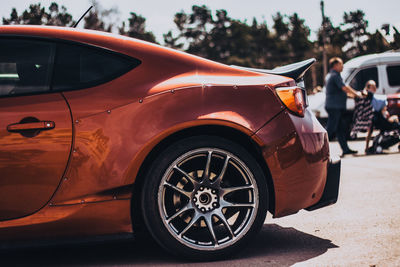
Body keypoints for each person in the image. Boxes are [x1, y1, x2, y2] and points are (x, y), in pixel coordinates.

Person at [325, 57, 363, 156]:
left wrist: (353, 96)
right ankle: (318, 149)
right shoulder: (335, 75)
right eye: (341, 64)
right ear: (335, 65)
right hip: (334, 107)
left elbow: (340, 92)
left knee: (340, 129)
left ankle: (345, 149)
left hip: (334, 106)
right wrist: (357, 94)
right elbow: (345, 88)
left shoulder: (331, 75)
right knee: (330, 130)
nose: (342, 66)